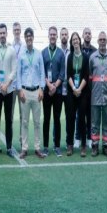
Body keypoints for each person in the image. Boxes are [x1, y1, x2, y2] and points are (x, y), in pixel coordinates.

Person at [17, 27, 46, 159]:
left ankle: (37, 148)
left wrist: (42, 88)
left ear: (33, 38)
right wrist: (20, 90)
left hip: (36, 92)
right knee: (24, 122)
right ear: (25, 38)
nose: (29, 38)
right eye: (27, 36)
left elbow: (42, 73)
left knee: (37, 122)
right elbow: (18, 74)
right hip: (25, 92)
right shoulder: (21, 55)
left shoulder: (38, 54)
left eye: (30, 36)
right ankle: (24, 148)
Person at [0, 23, 17, 158]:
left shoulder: (11, 50)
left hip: (9, 90)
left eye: (4, 33)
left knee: (8, 120)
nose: (2, 35)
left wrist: (6, 85)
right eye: (0, 33)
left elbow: (14, 70)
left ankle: (9, 147)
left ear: (7, 34)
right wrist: (1, 84)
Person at [89, 31, 107, 158]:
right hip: (95, 96)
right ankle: (95, 146)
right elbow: (90, 77)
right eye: (100, 39)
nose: (102, 41)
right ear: (98, 41)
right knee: (94, 122)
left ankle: (106, 146)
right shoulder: (92, 58)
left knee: (106, 122)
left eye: (104, 39)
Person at [41, 26, 65, 156]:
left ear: (57, 36)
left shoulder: (61, 53)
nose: (52, 36)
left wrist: (55, 85)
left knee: (57, 119)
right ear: (48, 36)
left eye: (54, 34)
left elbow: (62, 73)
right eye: (51, 34)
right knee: (46, 119)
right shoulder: (43, 52)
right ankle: (45, 146)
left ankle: (57, 146)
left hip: (58, 92)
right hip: (46, 91)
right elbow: (42, 72)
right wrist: (49, 85)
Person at [65, 32, 90, 157]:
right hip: (71, 92)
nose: (75, 41)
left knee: (81, 119)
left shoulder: (85, 57)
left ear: (79, 41)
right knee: (70, 118)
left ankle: (83, 145)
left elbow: (86, 75)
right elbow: (69, 74)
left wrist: (79, 88)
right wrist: (74, 88)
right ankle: (70, 144)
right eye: (73, 39)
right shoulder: (69, 56)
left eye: (76, 39)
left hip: (83, 92)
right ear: (72, 42)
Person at [78, 27, 96, 149]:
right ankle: (78, 138)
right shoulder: (78, 50)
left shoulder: (95, 51)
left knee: (90, 115)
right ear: (83, 35)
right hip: (80, 88)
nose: (88, 35)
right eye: (86, 33)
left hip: (92, 89)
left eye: (90, 33)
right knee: (80, 115)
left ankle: (90, 138)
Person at [59, 27, 71, 148]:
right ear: (59, 36)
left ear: (68, 36)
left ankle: (69, 142)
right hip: (58, 89)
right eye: (62, 34)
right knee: (56, 117)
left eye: (65, 34)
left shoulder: (71, 52)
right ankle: (56, 143)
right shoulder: (57, 51)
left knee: (69, 117)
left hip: (69, 89)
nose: (64, 36)